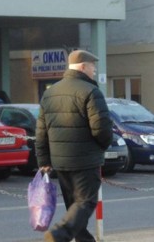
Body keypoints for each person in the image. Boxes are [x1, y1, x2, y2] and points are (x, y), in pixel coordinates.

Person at [35, 49, 113, 242]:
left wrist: (44, 160)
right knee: (86, 202)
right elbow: (101, 129)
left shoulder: (50, 93)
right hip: (85, 160)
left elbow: (41, 131)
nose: (95, 70)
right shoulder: (91, 92)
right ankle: (59, 234)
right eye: (93, 66)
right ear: (83, 66)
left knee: (75, 208)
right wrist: (102, 147)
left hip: (60, 162)